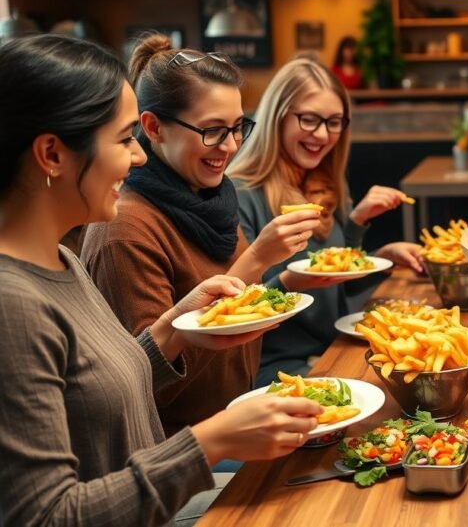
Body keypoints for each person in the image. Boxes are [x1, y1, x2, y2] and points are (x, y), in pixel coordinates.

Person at [0, 34, 324, 526]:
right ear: (52, 154)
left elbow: (109, 390)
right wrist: (211, 442)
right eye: (124, 138)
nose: (139, 158)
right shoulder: (14, 303)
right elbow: (48, 516)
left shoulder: (61, 260)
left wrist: (175, 326)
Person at [80, 36, 321, 438]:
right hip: (186, 451)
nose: (229, 147)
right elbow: (153, 387)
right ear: (153, 127)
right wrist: (258, 258)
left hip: (241, 415)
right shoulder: (126, 229)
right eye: (212, 131)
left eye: (237, 128)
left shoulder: (211, 196)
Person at [228, 57, 420, 385]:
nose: (322, 134)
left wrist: (378, 249)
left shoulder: (328, 180)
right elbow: (233, 315)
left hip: (335, 348)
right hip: (277, 371)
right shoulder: (239, 194)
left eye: (334, 122)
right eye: (309, 119)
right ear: (277, 116)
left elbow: (340, 285)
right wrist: (289, 282)